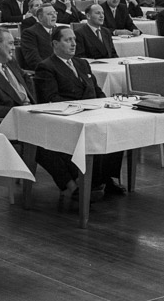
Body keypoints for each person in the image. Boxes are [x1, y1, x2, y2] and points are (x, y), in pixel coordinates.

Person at [0, 27, 83, 197]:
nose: (14, 47)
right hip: (2, 123)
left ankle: (83, 180)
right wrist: (22, 112)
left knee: (62, 130)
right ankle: (70, 186)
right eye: (10, 43)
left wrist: (34, 107)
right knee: (39, 139)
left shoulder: (11, 63)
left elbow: (27, 83)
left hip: (29, 116)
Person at [34, 27, 126, 198]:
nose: (73, 43)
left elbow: (97, 90)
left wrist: (106, 104)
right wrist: (82, 107)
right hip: (69, 118)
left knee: (115, 127)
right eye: (68, 40)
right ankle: (90, 183)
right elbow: (51, 98)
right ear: (55, 43)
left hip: (93, 113)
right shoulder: (46, 67)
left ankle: (106, 178)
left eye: (74, 39)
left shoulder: (82, 63)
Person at [20, 3, 58, 68]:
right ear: (40, 17)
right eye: (50, 14)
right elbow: (34, 60)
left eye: (55, 13)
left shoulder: (58, 31)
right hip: (46, 71)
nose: (54, 16)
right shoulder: (30, 33)